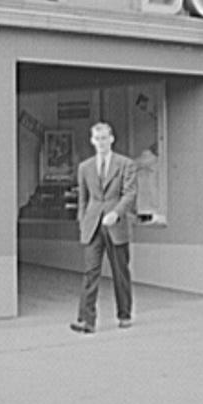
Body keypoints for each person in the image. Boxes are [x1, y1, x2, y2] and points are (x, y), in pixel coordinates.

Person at [70, 121, 137, 334]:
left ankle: (124, 314)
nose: (101, 142)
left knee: (120, 272)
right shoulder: (85, 167)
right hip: (92, 225)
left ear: (112, 139)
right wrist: (83, 221)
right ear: (92, 141)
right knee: (90, 272)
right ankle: (86, 320)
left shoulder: (125, 164)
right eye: (97, 138)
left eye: (104, 138)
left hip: (115, 225)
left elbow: (130, 194)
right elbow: (83, 198)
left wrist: (116, 213)